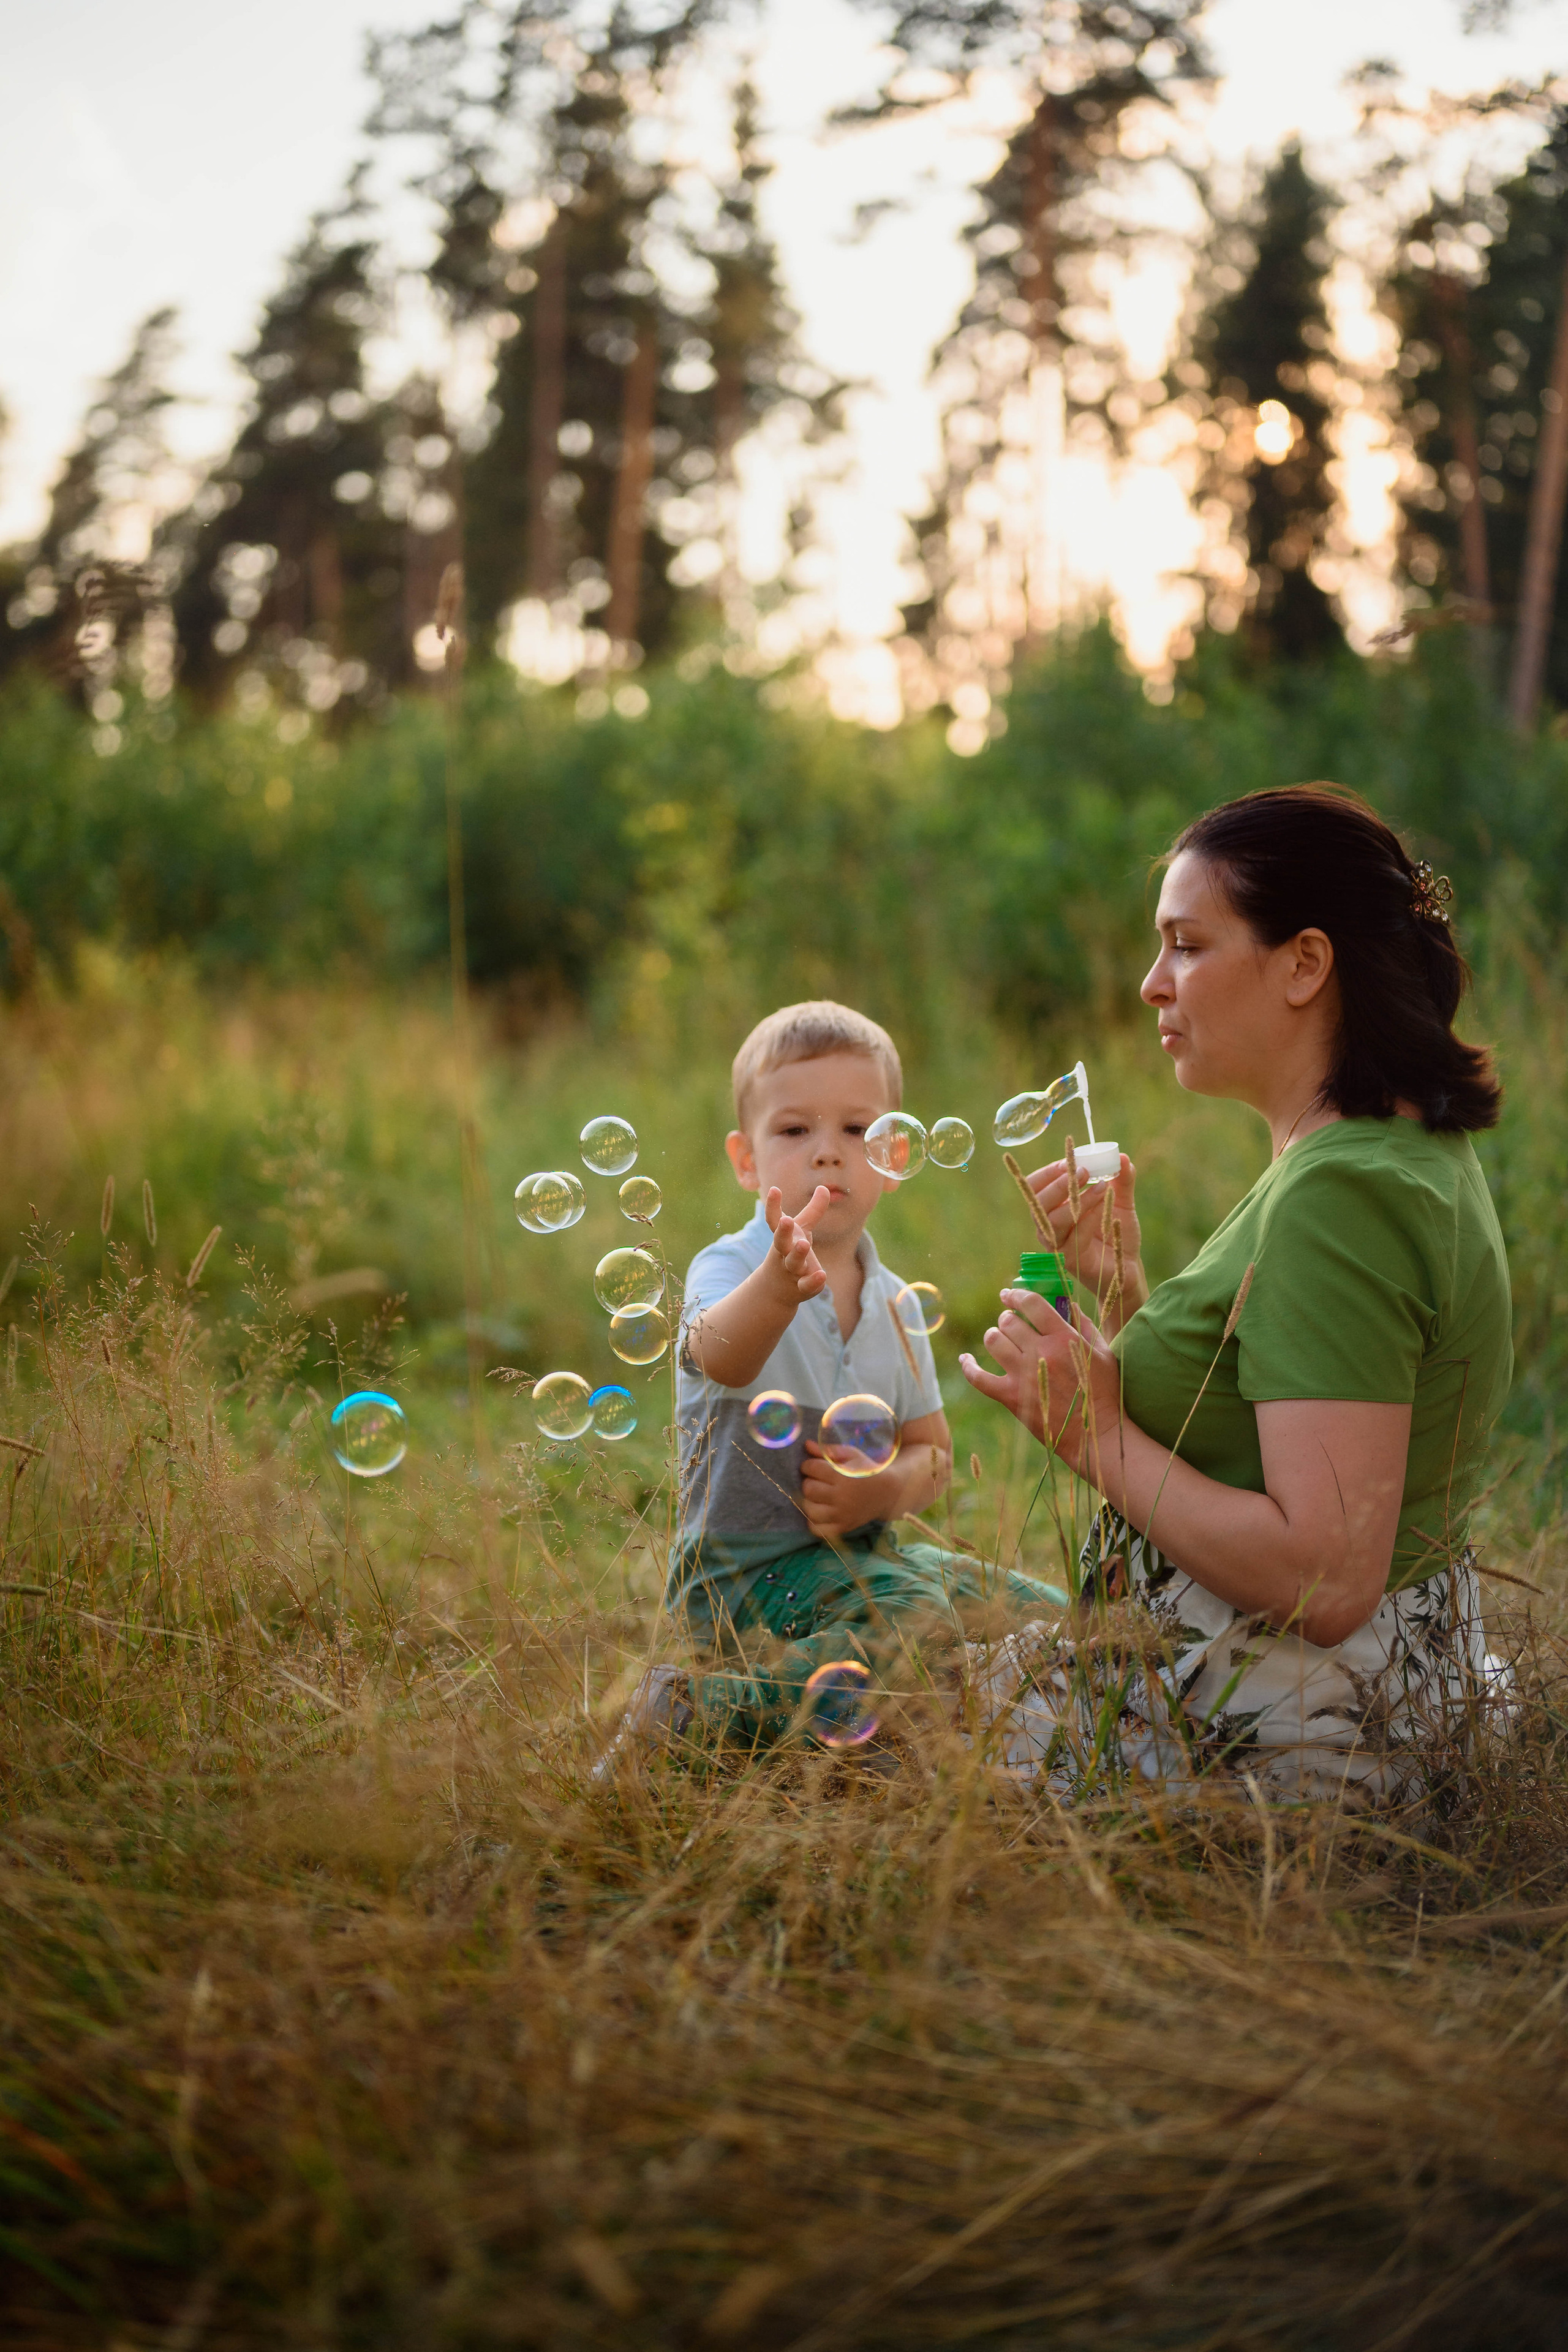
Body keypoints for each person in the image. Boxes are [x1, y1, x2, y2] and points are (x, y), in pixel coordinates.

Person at [961, 783, 1513, 1803]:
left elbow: (1325, 1576)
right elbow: (1271, 1421)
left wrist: (1089, 1432)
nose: (1149, 985)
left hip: (1276, 1723)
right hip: (1374, 1688)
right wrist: (1125, 1291)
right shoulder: (1393, 1151)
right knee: (938, 1611)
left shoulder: (1339, 1193)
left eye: (1186, 945)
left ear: (1305, 962)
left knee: (857, 1683)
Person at [595, 1000, 1060, 1771]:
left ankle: (922, 1714)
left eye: (856, 1130)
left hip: (865, 1556)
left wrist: (883, 1494)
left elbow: (933, 1457)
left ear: (895, 1156)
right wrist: (779, 1288)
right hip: (742, 1570)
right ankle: (686, 1713)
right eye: (794, 1131)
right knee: (917, 1616)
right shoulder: (733, 1268)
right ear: (746, 1160)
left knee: (1031, 1609)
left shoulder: (898, 1305)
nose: (827, 1154)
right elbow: (719, 1356)